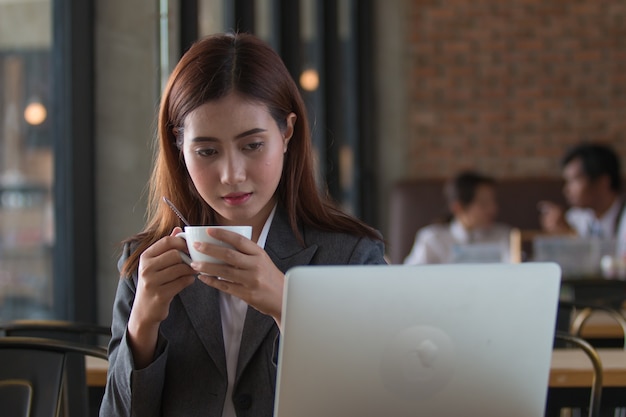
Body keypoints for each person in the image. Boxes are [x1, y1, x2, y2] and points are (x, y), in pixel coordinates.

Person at [99, 32, 386, 417]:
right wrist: (143, 322)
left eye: (252, 146)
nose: (231, 175)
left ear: (286, 132)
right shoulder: (147, 263)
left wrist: (289, 307)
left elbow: (369, 404)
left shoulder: (350, 257)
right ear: (180, 148)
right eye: (207, 151)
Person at [403, 171, 510, 265]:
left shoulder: (504, 236)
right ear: (458, 208)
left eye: (493, 202)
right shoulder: (433, 239)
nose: (493, 209)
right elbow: (411, 277)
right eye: (484, 203)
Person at [538, 143, 626, 241]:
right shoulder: (576, 219)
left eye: (575, 180)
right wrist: (565, 235)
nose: (566, 190)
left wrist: (572, 237)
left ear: (603, 182)